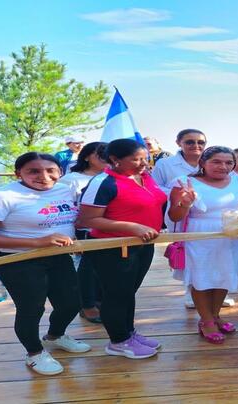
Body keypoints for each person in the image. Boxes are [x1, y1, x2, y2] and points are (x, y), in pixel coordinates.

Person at [0, 152, 89, 376]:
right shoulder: (3, 196)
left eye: (51, 170)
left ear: (61, 172)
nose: (44, 176)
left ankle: (55, 335)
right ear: (18, 173)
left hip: (58, 255)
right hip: (18, 260)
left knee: (71, 302)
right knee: (32, 308)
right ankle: (34, 352)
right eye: (33, 171)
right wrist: (36, 242)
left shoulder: (65, 189)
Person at [77, 139, 167, 359]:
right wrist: (133, 227)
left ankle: (129, 333)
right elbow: (86, 220)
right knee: (116, 294)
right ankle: (118, 341)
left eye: (145, 158)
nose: (143, 163)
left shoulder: (145, 177)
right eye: (136, 159)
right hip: (113, 248)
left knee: (128, 292)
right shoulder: (104, 182)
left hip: (142, 245)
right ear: (115, 160)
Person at [166, 146, 238, 344]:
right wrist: (185, 204)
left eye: (229, 162)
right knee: (201, 279)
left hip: (231, 237)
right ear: (202, 163)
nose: (223, 166)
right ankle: (206, 320)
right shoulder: (185, 183)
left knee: (224, 275)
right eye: (216, 161)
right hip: (200, 237)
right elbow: (174, 216)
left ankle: (215, 315)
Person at [152, 130, 236, 308]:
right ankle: (199, 306)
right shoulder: (167, 166)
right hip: (192, 223)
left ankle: (215, 310)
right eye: (190, 142)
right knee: (198, 268)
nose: (196, 145)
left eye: (200, 142)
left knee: (223, 268)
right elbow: (156, 188)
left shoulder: (234, 178)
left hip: (226, 230)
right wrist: (183, 198)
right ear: (179, 142)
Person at [58, 141, 107, 324]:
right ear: (86, 156)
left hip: (110, 230)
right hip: (84, 231)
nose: (105, 158)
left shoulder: (111, 177)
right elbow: (63, 208)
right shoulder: (71, 180)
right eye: (100, 154)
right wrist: (69, 234)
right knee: (87, 270)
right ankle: (87, 306)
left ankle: (102, 302)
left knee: (105, 270)